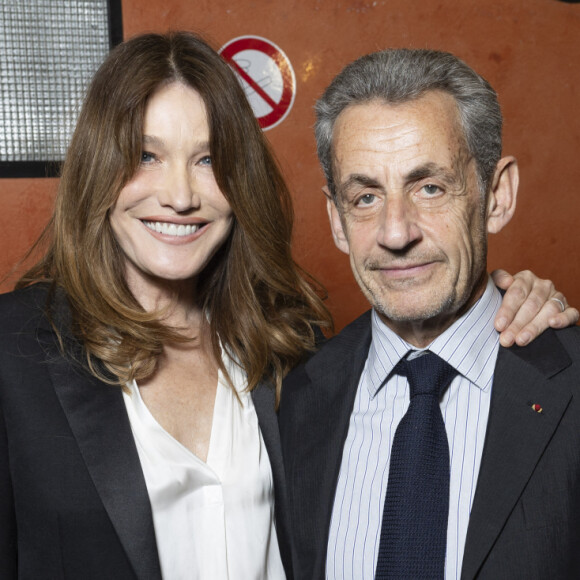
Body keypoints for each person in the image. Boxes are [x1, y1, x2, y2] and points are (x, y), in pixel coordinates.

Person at [0, 33, 573, 580]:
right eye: (145, 155)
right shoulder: (14, 355)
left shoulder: (288, 354)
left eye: (207, 159)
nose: (179, 195)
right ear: (337, 218)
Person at [279, 48, 580, 580]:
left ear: (497, 196)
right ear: (336, 219)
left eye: (430, 187)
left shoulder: (567, 385)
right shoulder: (292, 403)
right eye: (366, 197)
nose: (396, 233)